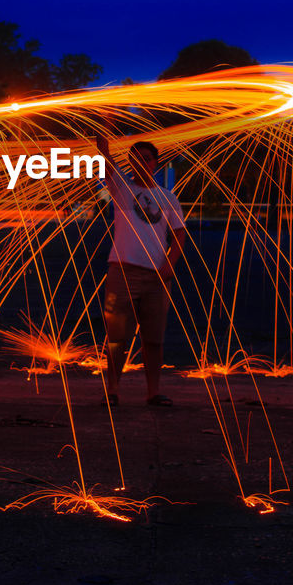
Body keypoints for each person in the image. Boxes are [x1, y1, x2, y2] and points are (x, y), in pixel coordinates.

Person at [93, 134, 187, 407]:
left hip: (157, 277)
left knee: (153, 337)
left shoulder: (168, 198)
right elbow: (106, 163)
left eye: (147, 158)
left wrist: (169, 264)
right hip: (121, 272)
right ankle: (112, 391)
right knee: (116, 335)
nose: (142, 163)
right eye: (136, 159)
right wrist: (104, 139)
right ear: (131, 163)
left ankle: (153, 392)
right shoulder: (122, 189)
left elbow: (179, 234)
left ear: (155, 163)